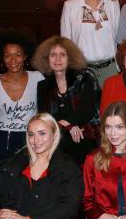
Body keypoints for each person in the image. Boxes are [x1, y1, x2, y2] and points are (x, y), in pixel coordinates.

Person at [0, 29, 44, 160]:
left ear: (25, 56)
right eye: (7, 55)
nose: (13, 60)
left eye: (18, 54)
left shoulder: (38, 78)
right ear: (2, 58)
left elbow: (44, 113)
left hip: (29, 139)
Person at [33, 36, 98, 166]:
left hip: (85, 135)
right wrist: (68, 126)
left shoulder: (85, 77)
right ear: (47, 59)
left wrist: (67, 123)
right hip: (57, 139)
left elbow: (87, 110)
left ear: (70, 58)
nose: (57, 59)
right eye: (53, 55)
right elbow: (44, 118)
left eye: (62, 55)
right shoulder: (43, 86)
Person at [60, 0, 121, 88]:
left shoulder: (113, 3)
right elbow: (65, 42)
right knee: (85, 107)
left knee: (111, 106)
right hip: (82, 69)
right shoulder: (70, 5)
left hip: (110, 68)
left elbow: (118, 36)